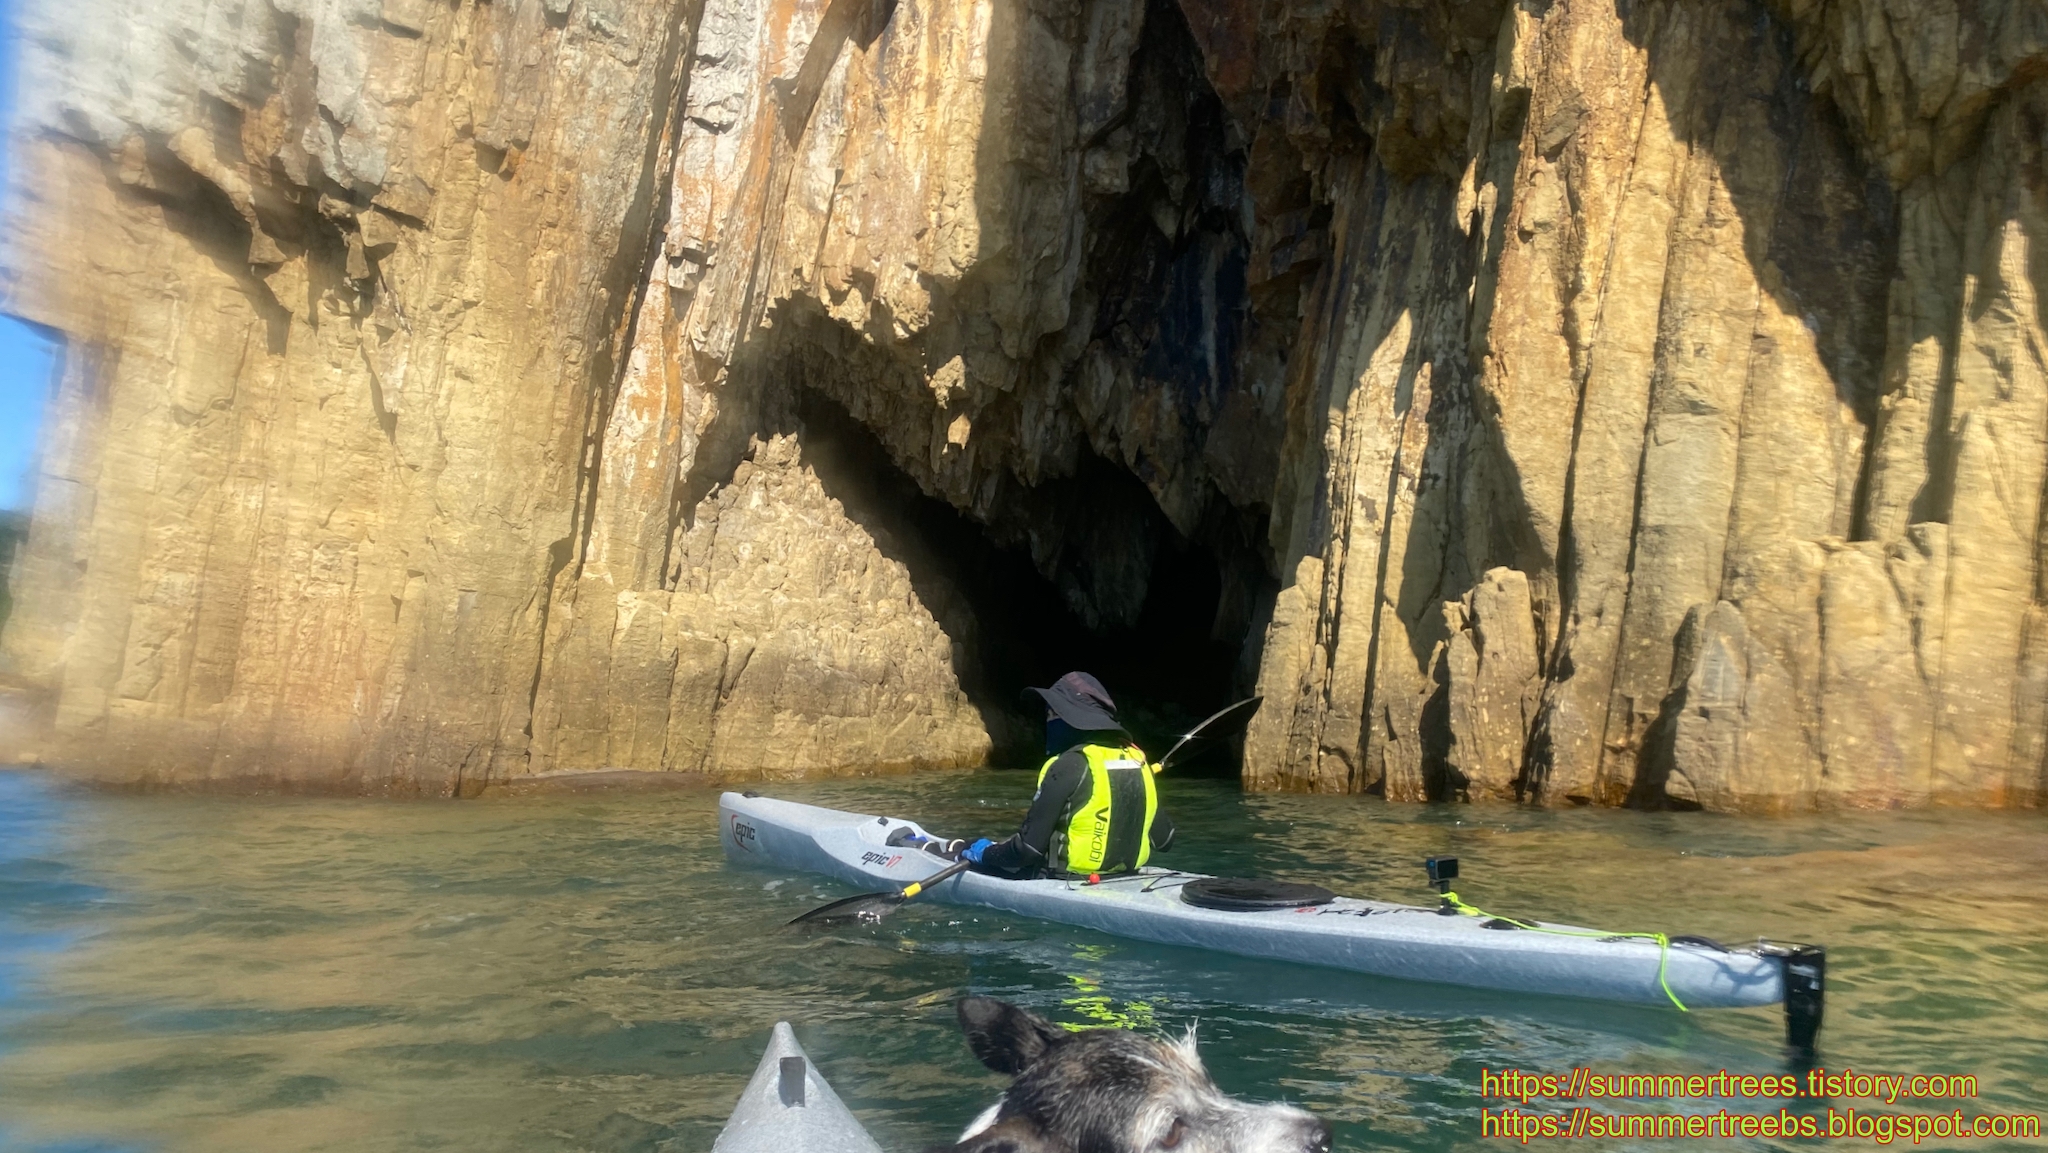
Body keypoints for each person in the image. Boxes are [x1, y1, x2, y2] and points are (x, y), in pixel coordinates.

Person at [956, 672, 1176, 879]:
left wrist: (985, 852)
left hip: (1065, 879)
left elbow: (1027, 851)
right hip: (1124, 878)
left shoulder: (1069, 765)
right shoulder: (1138, 763)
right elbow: (1165, 840)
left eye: (1052, 713)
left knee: (966, 849)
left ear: (1070, 716)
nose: (1048, 721)